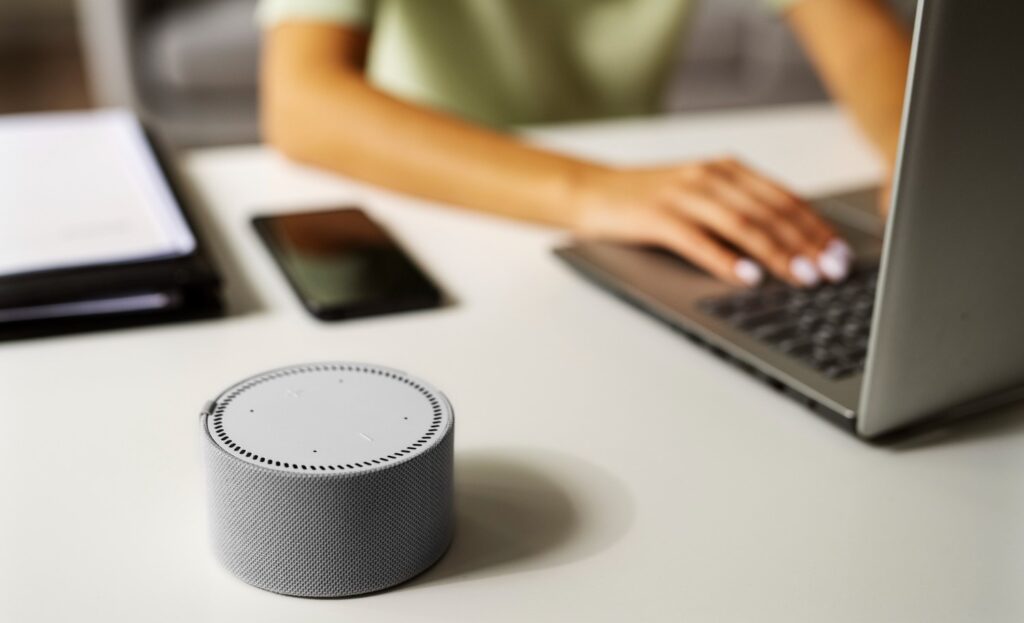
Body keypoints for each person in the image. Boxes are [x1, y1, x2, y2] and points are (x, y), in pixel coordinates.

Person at [258, 0, 911, 288]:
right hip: (430, 200)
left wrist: (916, 162)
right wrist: (597, 189)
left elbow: (858, 36)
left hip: (629, 219)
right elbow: (301, 103)